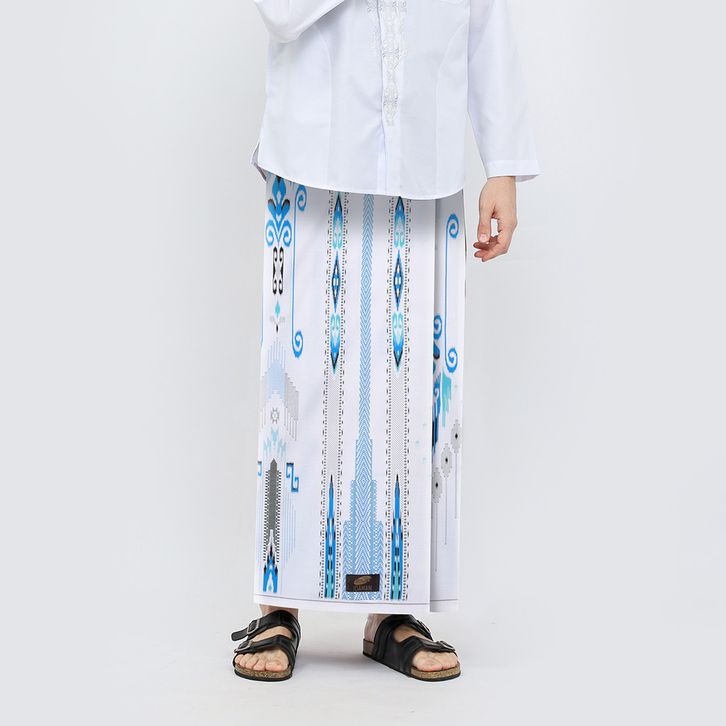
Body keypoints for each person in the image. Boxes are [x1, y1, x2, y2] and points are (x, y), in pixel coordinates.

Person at [231, 0, 540, 682]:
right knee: (298, 386)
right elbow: (279, 13)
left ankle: (396, 611)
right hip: (313, 157)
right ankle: (278, 605)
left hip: (424, 164)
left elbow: (486, 21)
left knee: (414, 395)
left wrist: (504, 164)